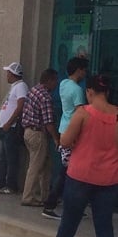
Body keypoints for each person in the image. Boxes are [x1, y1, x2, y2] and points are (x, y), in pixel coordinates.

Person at [41, 74, 118, 237]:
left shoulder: (83, 113)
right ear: (107, 92)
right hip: (109, 180)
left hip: (80, 177)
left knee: (68, 224)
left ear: (89, 92)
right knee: (105, 230)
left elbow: (65, 141)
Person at [42, 57, 88, 219]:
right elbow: (80, 113)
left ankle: (70, 205)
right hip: (73, 132)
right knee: (67, 172)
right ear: (79, 70)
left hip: (64, 129)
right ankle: (51, 204)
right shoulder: (77, 90)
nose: (85, 73)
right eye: (84, 70)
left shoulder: (63, 84)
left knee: (68, 171)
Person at [20, 68, 60, 206]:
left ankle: (46, 196)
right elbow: (48, 122)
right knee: (36, 166)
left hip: (28, 131)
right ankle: (28, 197)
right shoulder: (45, 97)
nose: (56, 84)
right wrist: (56, 138)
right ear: (49, 80)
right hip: (38, 133)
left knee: (45, 165)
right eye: (55, 81)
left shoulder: (33, 90)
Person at [0, 62, 29, 194]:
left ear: (13, 74)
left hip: (12, 127)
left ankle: (11, 185)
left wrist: (9, 122)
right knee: (2, 156)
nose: (7, 75)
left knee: (11, 157)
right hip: (5, 127)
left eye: (8, 73)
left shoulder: (21, 86)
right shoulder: (14, 87)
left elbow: (20, 106)